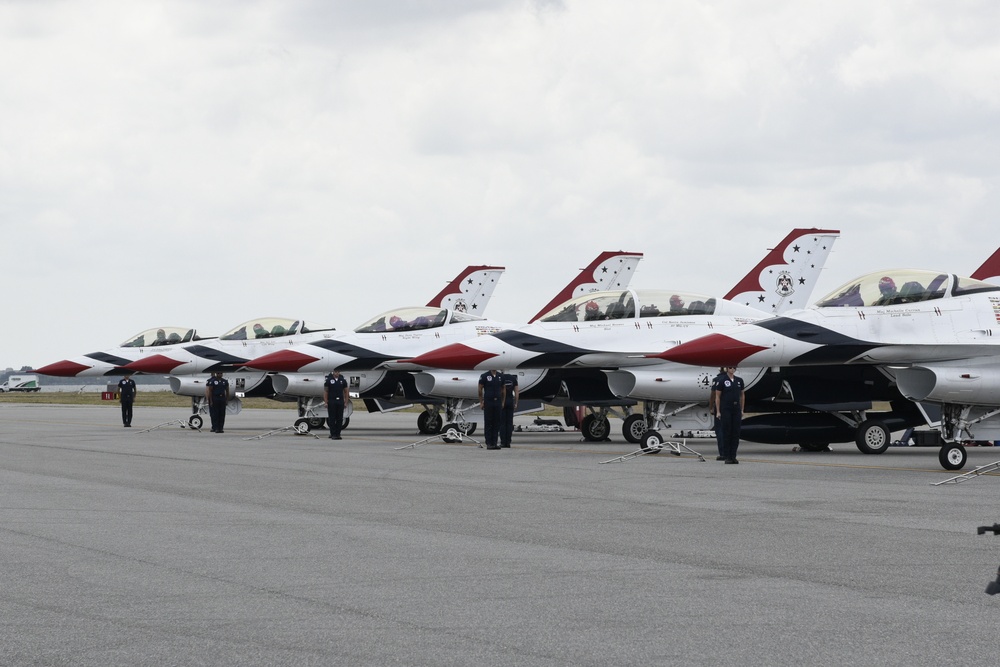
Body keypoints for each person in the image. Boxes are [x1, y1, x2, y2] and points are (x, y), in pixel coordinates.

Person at [713, 366, 745, 464]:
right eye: (730, 368)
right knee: (727, 432)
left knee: (736, 432)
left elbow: (742, 395)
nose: (732, 369)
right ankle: (727, 456)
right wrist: (718, 411)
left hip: (736, 409)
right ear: (727, 369)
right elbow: (717, 396)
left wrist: (742, 409)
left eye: (734, 368)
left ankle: (733, 456)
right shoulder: (722, 380)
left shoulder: (739, 381)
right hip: (726, 408)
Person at [478, 369, 506, 450]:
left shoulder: (500, 376)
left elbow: (503, 389)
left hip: (498, 401)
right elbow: (480, 389)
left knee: (497, 422)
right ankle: (489, 443)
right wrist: (481, 401)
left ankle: (495, 442)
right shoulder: (484, 376)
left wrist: (503, 401)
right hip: (488, 401)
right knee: (488, 422)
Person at [323, 369, 350, 440]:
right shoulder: (328, 380)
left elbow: (346, 392)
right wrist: (326, 402)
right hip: (332, 401)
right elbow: (326, 392)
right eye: (335, 372)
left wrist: (346, 402)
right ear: (333, 372)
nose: (337, 373)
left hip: (340, 401)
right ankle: (333, 434)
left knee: (339, 418)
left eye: (338, 372)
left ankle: (338, 433)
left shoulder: (343, 381)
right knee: (332, 418)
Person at [708, 367, 727, 460]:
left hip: (720, 408)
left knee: (720, 430)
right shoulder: (734, 379)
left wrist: (711, 407)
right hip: (731, 408)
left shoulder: (717, 380)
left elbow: (713, 395)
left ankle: (723, 453)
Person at [500, 372, 519, 448]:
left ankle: (503, 442)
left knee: (502, 423)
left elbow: (500, 391)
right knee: (509, 423)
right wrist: (516, 403)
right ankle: (508, 442)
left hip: (502, 402)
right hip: (510, 401)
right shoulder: (513, 378)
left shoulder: (500, 378)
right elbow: (517, 392)